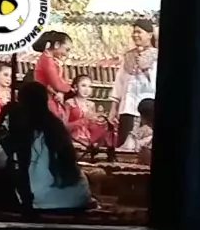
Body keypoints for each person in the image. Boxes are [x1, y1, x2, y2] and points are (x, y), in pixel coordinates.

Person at [5, 82, 93, 211]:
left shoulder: (28, 130)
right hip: (76, 195)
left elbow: (15, 165)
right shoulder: (55, 125)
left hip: (43, 197)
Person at [109, 18, 158, 148]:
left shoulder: (157, 56)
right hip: (127, 109)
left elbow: (154, 84)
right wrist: (113, 108)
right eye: (134, 32)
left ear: (149, 35)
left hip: (147, 110)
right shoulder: (128, 56)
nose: (135, 35)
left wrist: (145, 69)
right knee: (124, 148)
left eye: (139, 32)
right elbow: (119, 83)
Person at [33, 30, 73, 121]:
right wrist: (70, 88)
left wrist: (62, 91)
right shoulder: (47, 60)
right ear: (57, 45)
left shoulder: (50, 59)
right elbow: (57, 84)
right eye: (66, 49)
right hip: (45, 99)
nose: (66, 54)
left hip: (50, 97)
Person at [66, 74, 109, 146]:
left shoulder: (91, 104)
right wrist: (82, 121)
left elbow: (92, 126)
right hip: (73, 139)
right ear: (76, 87)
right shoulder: (69, 103)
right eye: (83, 86)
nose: (86, 89)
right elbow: (64, 126)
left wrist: (100, 121)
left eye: (89, 86)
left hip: (88, 139)